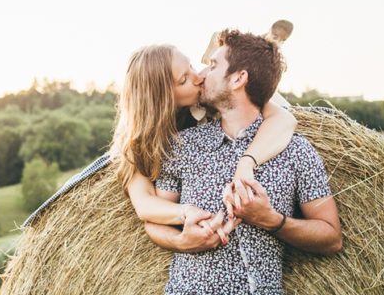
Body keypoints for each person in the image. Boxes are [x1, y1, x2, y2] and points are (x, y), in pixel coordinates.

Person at [144, 29, 342, 295]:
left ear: (239, 78)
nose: (202, 72)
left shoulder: (297, 152)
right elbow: (153, 220)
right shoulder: (183, 146)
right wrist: (182, 240)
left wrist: (271, 220)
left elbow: (330, 236)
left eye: (213, 64)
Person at [110, 39, 298, 243]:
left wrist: (246, 163)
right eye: (184, 80)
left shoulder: (216, 94)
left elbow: (285, 119)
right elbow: (145, 205)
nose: (199, 76)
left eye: (190, 66)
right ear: (162, 97)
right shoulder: (136, 142)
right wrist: (185, 222)